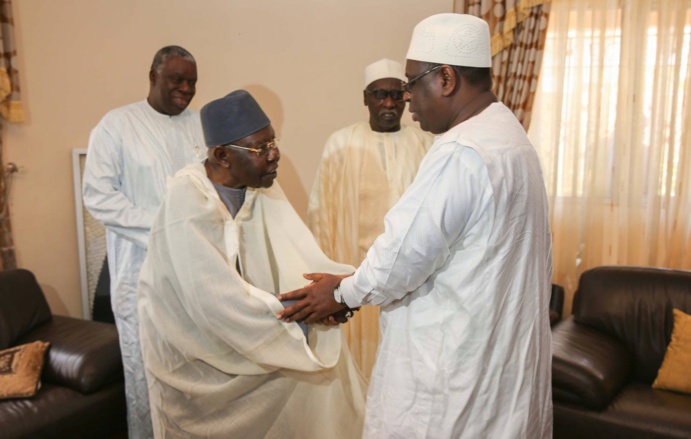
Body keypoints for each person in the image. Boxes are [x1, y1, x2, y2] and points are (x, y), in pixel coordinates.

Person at [278, 13, 553, 439]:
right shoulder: (509, 134)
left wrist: (338, 292)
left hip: (450, 381)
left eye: (410, 83)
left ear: (445, 78)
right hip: (495, 368)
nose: (406, 98)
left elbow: (399, 261)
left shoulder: (460, 150)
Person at [137, 90, 367, 438]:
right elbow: (213, 302)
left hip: (253, 328)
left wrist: (332, 295)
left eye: (273, 141)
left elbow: (298, 256)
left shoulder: (261, 186)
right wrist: (303, 311)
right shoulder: (186, 202)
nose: (275, 155)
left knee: (325, 382)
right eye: (261, 148)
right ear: (222, 155)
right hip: (195, 360)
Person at [82, 45, 204, 438]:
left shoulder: (201, 125)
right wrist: (160, 227)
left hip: (195, 271)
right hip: (140, 275)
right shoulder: (116, 126)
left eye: (192, 82)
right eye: (177, 79)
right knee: (145, 376)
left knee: (197, 370)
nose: (185, 88)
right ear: (153, 77)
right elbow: (98, 195)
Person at [307, 58, 432, 377]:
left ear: (406, 96)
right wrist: (325, 280)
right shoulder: (340, 144)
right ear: (365, 98)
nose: (389, 103)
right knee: (355, 366)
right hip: (351, 278)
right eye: (379, 94)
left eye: (396, 94)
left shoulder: (425, 145)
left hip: (408, 283)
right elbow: (321, 216)